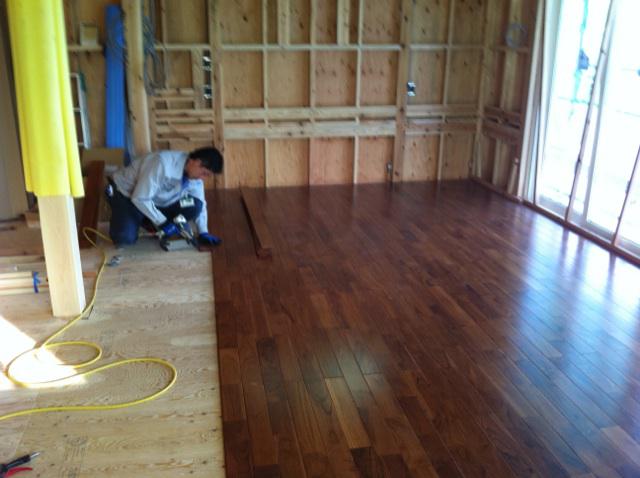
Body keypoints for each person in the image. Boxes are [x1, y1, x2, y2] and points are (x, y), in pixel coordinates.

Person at [105, 147, 223, 248]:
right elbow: (140, 198)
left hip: (156, 200)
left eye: (207, 176)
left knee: (196, 205)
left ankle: (151, 222)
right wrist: (163, 222)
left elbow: (201, 202)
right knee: (124, 238)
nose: (203, 178)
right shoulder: (162, 163)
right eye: (204, 173)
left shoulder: (195, 177)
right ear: (196, 162)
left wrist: (203, 231)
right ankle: (144, 220)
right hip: (126, 195)